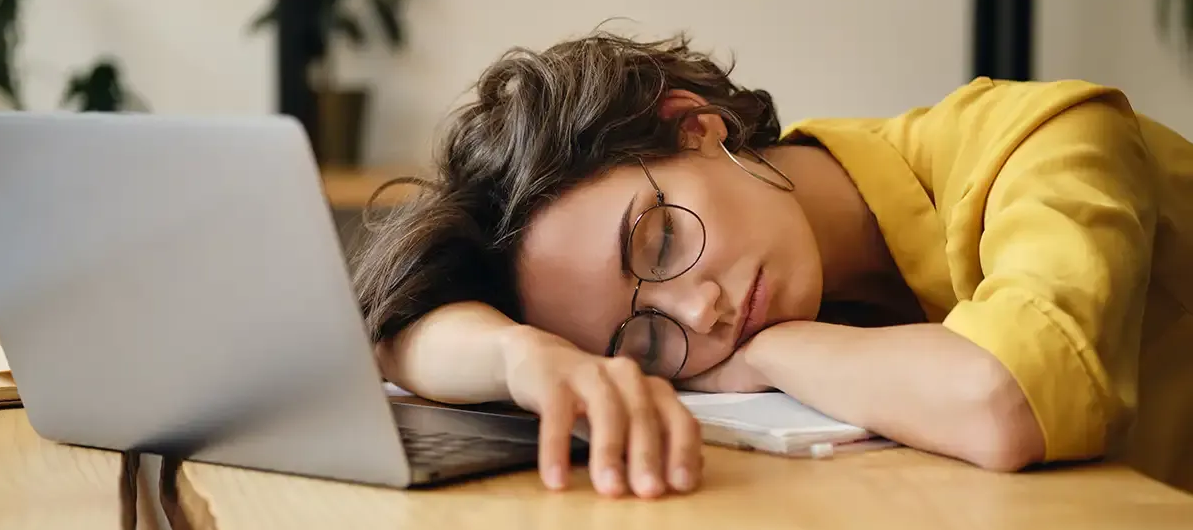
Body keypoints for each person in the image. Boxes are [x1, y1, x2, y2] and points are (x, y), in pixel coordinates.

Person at [350, 30, 1193, 499]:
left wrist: (762, 355)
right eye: (643, 342)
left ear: (696, 125)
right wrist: (521, 355)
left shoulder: (1049, 139)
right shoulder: (734, 302)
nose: (697, 316)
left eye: (661, 241)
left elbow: (1004, 401)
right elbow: (394, 339)